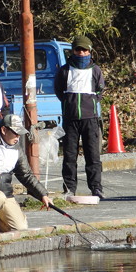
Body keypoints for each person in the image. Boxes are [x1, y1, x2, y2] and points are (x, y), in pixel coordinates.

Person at [54, 35, 106, 199]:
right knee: (69, 156)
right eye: (78, 50)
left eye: (85, 50)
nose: (82, 53)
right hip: (70, 119)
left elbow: (100, 91)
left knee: (93, 156)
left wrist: (89, 103)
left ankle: (96, 188)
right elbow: (58, 90)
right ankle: (69, 188)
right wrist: (69, 104)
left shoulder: (95, 70)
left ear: (90, 51)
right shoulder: (64, 70)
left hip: (90, 119)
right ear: (73, 51)